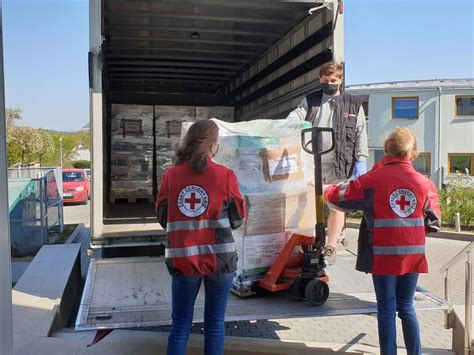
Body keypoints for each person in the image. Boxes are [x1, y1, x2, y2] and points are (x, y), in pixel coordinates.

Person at [324, 127, 441, 355]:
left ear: (387, 150)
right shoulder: (424, 184)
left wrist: (324, 189)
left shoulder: (372, 180)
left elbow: (340, 198)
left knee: (386, 308)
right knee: (407, 307)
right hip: (412, 255)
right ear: (412, 153)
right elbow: (434, 223)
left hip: (384, 255)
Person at [155, 120, 246, 355]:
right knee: (215, 324)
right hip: (220, 262)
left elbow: (164, 218)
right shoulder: (225, 176)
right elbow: (237, 219)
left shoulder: (171, 176)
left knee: (180, 326)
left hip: (184, 261)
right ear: (213, 146)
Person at [286, 61, 368, 262]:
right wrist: (287, 124)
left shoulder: (354, 105)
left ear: (340, 80)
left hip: (341, 163)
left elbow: (360, 133)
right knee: (308, 204)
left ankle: (331, 246)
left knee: (335, 205)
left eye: (333, 80)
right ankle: (311, 241)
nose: (329, 83)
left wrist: (362, 160)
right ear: (319, 80)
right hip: (312, 162)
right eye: (325, 80)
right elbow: (295, 116)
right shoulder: (311, 100)